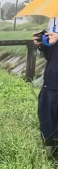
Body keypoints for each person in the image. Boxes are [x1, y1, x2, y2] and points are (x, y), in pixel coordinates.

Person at [34, 29, 58, 157]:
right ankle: (51, 156)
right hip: (49, 84)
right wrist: (43, 45)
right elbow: (51, 56)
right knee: (46, 121)